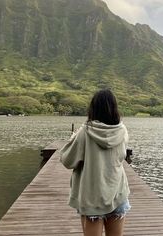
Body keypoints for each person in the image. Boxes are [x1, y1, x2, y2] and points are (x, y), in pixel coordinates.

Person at [60, 89, 131, 236]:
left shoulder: (85, 132)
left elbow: (67, 160)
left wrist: (73, 138)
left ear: (93, 108)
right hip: (117, 193)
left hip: (92, 198)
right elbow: (121, 156)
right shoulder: (122, 130)